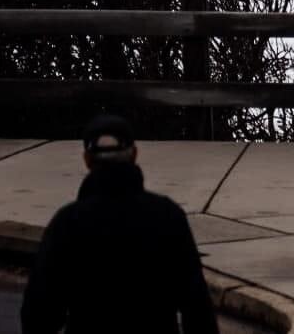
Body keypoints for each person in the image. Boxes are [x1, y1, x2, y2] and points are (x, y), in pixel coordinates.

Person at [20, 113, 217, 334]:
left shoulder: (67, 224)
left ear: (87, 159)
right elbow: (197, 308)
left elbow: (38, 313)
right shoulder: (168, 216)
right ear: (134, 154)